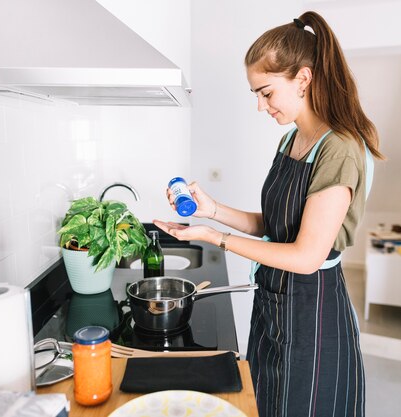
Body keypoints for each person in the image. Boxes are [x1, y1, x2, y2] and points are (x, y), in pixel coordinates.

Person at [154, 10, 384, 417]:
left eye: (266, 92)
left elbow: (306, 255)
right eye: (256, 95)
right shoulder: (291, 140)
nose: (261, 106)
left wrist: (216, 239)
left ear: (303, 79)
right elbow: (274, 225)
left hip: (314, 317)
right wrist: (212, 211)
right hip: (274, 308)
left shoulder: (340, 148)